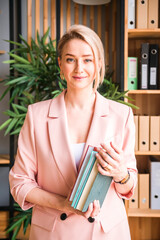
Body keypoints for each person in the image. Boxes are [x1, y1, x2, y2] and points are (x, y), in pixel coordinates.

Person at [9, 24, 137, 240]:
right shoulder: (37, 115)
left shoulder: (120, 114)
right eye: (70, 59)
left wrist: (121, 174)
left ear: (98, 64)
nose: (79, 68)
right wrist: (64, 204)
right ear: (60, 64)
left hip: (106, 232)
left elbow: (129, 184)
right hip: (54, 232)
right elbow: (20, 183)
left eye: (87, 59)